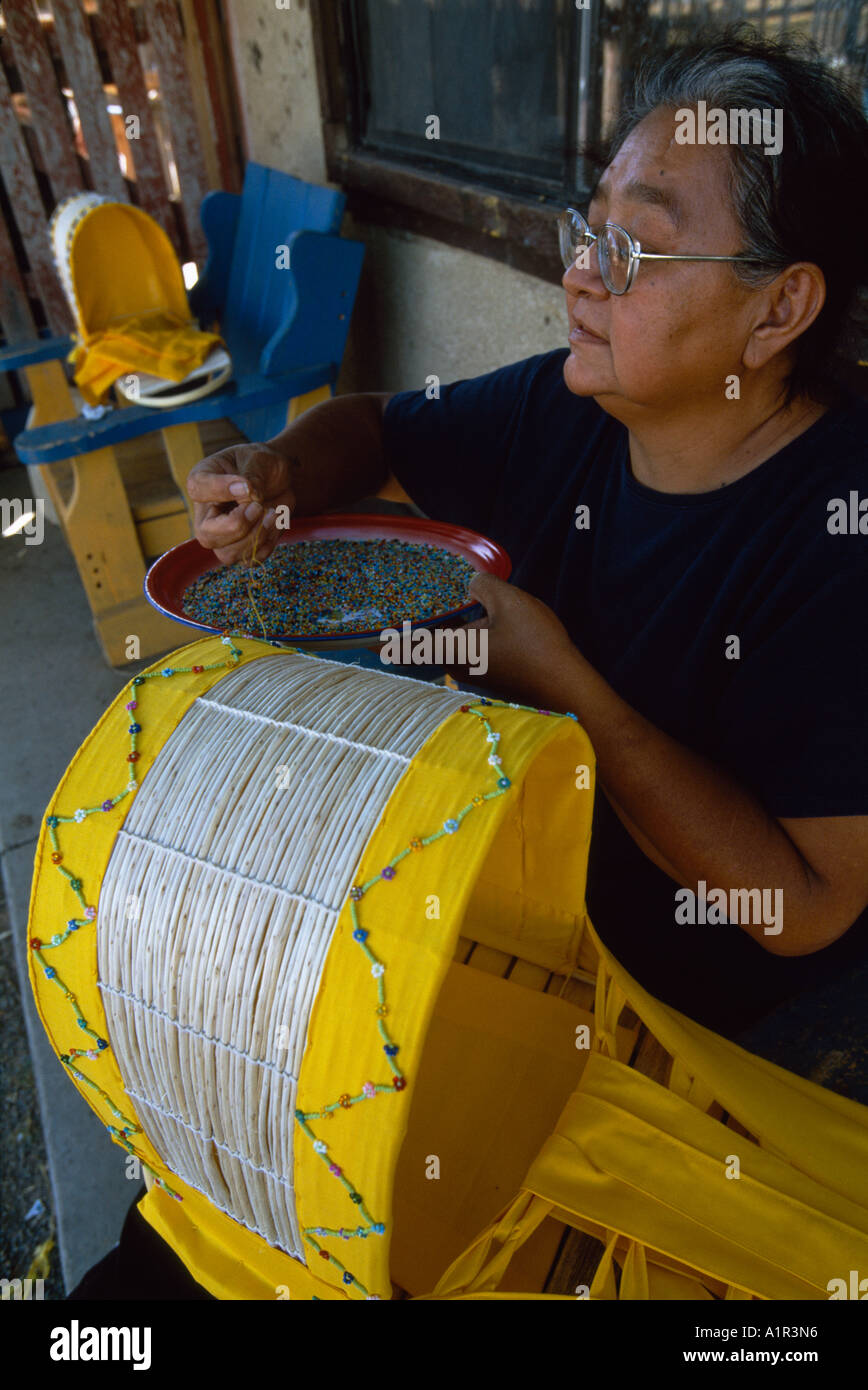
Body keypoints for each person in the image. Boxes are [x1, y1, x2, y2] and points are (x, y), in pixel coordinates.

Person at [186, 27, 868, 1091]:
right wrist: (276, 470)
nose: (582, 277)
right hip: (517, 903)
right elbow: (375, 425)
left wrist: (563, 685)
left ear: (777, 308)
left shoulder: (840, 536)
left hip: (697, 1030)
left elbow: (800, 909)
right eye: (587, 232)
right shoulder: (571, 403)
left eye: (632, 251)